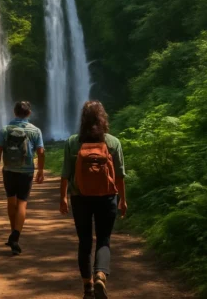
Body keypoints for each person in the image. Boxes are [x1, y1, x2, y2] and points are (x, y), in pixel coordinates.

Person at [60, 101, 127, 299]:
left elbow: (65, 174)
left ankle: (88, 288)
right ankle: (100, 274)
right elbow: (120, 176)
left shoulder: (73, 142)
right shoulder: (113, 143)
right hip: (107, 197)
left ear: (83, 119)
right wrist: (123, 199)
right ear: (103, 119)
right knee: (104, 239)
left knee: (84, 242)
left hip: (80, 198)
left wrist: (63, 197)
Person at [0, 101, 45, 255]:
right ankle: (15, 235)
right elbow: (41, 152)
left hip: (8, 170)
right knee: (22, 203)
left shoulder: (5, 130)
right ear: (29, 113)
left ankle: (13, 232)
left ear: (14, 112)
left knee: (11, 201)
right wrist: (40, 170)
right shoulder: (35, 131)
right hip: (26, 171)